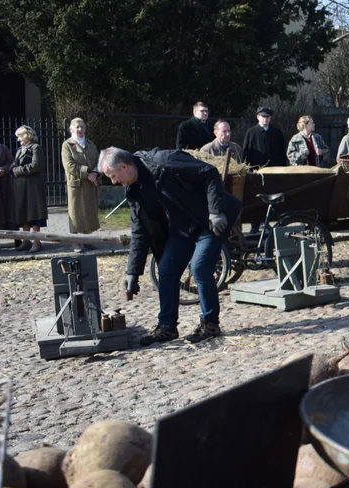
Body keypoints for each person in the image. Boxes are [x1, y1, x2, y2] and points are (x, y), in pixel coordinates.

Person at [100, 146, 242, 346]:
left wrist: (216, 211)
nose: (113, 182)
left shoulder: (165, 161)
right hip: (183, 226)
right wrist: (132, 272)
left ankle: (210, 324)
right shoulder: (134, 190)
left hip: (211, 219)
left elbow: (209, 173)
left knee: (200, 267)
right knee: (166, 269)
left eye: (112, 176)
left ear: (124, 166)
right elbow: (139, 231)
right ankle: (167, 327)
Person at [62, 118, 101, 252]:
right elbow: (69, 165)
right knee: (76, 213)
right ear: (71, 129)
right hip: (77, 184)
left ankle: (87, 239)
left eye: (82, 127)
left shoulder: (91, 144)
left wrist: (95, 173)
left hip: (90, 184)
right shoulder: (67, 145)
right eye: (77, 127)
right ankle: (76, 242)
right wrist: (87, 173)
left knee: (89, 212)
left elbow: (98, 160)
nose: (80, 130)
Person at [11, 126, 48, 253]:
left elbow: (36, 165)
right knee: (23, 212)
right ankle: (26, 240)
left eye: (20, 136)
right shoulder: (20, 149)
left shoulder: (36, 148)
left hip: (33, 186)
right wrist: (12, 168)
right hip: (21, 187)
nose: (18, 140)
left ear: (27, 136)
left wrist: (18, 170)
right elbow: (15, 164)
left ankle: (37, 241)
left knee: (34, 213)